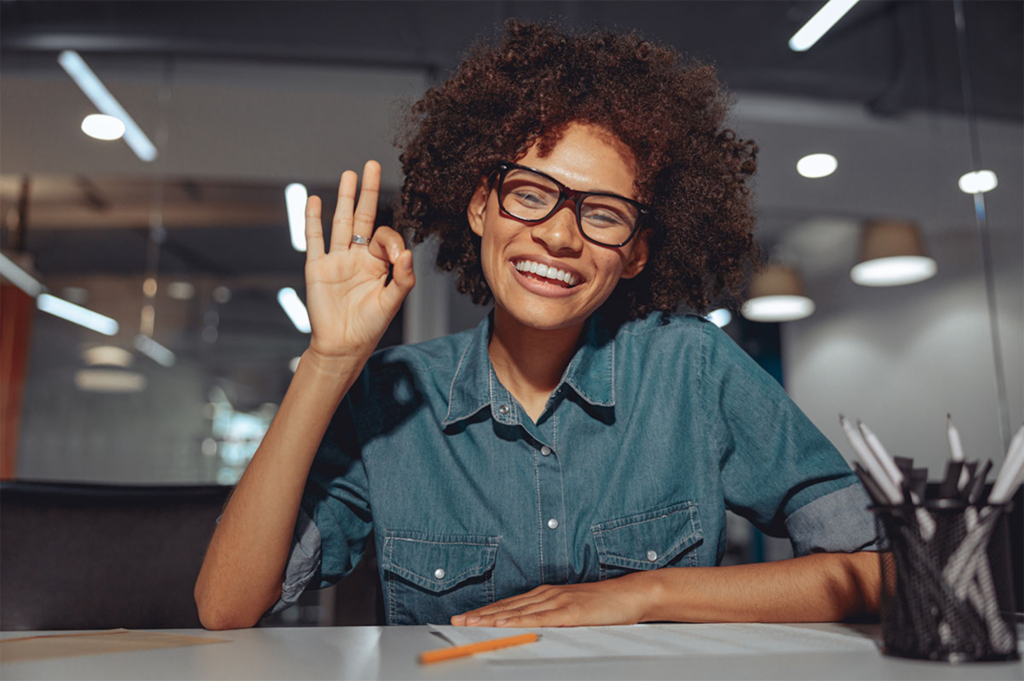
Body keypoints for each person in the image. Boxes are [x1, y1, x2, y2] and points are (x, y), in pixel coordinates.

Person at [195, 20, 880, 630]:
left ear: (635, 252)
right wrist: (328, 359)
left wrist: (645, 593)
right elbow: (227, 607)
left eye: (603, 213)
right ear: (479, 208)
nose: (558, 236)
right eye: (530, 194)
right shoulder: (392, 393)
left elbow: (880, 570)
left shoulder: (691, 366)